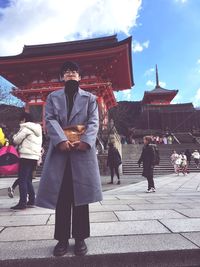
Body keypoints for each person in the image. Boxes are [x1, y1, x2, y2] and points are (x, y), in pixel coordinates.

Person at [36, 61, 103, 257]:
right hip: (61, 151)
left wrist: (86, 141)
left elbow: (93, 121)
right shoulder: (52, 97)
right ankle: (62, 239)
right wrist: (61, 140)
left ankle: (80, 238)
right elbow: (49, 119)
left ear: (80, 77)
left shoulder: (90, 98)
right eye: (67, 72)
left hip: (82, 150)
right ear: (62, 77)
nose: (71, 74)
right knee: (62, 196)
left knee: (81, 197)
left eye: (74, 71)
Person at [10, 112, 42, 210]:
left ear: (24, 119)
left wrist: (14, 136)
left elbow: (16, 140)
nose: (20, 122)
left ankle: (22, 202)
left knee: (22, 179)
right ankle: (32, 200)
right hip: (34, 157)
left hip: (26, 156)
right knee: (28, 179)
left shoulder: (25, 127)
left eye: (21, 120)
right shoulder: (38, 129)